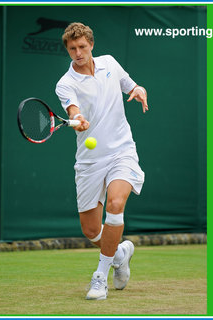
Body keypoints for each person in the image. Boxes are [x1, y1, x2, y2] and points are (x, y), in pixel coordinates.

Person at [55, 22, 149, 300]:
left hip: (122, 151)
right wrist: (78, 119)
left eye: (82, 47)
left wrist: (139, 89)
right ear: (68, 50)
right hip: (89, 161)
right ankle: (119, 252)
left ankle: (100, 276)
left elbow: (130, 85)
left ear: (91, 45)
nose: (78, 53)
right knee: (91, 229)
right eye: (72, 49)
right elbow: (73, 109)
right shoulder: (65, 83)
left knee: (116, 204)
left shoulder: (109, 63)